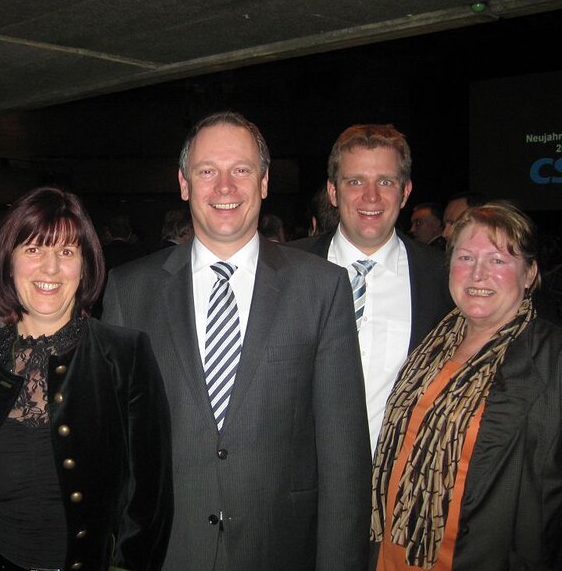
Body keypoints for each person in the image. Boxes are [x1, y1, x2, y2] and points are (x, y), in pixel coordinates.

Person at [102, 111, 370, 571]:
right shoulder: (129, 291)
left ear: (264, 182)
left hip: (281, 549)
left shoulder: (322, 288)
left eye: (241, 170)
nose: (225, 188)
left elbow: (344, 456)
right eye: (208, 171)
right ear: (184, 183)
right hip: (168, 552)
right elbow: (116, 453)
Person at [0, 187, 172, 571]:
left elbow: (148, 501)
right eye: (34, 249)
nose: (51, 268)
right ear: (9, 262)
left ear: (86, 265)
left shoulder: (125, 355)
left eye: (67, 252)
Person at [371, 201, 562, 570]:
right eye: (465, 257)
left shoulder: (550, 362)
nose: (478, 274)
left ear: (529, 273)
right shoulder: (434, 341)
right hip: (390, 555)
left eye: (498, 260)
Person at [291, 124, 453, 452]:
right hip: (306, 487)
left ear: (405, 191)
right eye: (355, 181)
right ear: (333, 192)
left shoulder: (441, 278)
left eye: (385, 181)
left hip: (399, 486)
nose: (371, 196)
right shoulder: (285, 270)